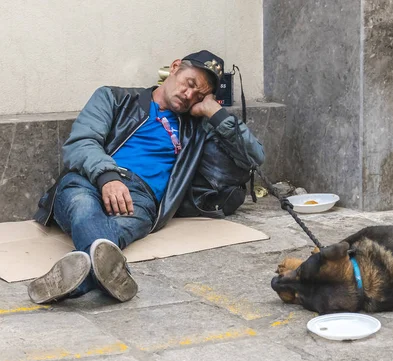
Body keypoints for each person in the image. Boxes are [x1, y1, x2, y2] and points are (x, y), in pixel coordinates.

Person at [28, 50, 264, 304]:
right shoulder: (114, 98)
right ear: (175, 68)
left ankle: (78, 278)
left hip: (142, 199)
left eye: (199, 95)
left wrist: (214, 113)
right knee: (83, 208)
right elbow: (81, 143)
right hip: (89, 181)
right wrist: (108, 177)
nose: (189, 95)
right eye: (190, 84)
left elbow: (254, 157)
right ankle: (110, 276)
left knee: (112, 237)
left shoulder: (196, 126)